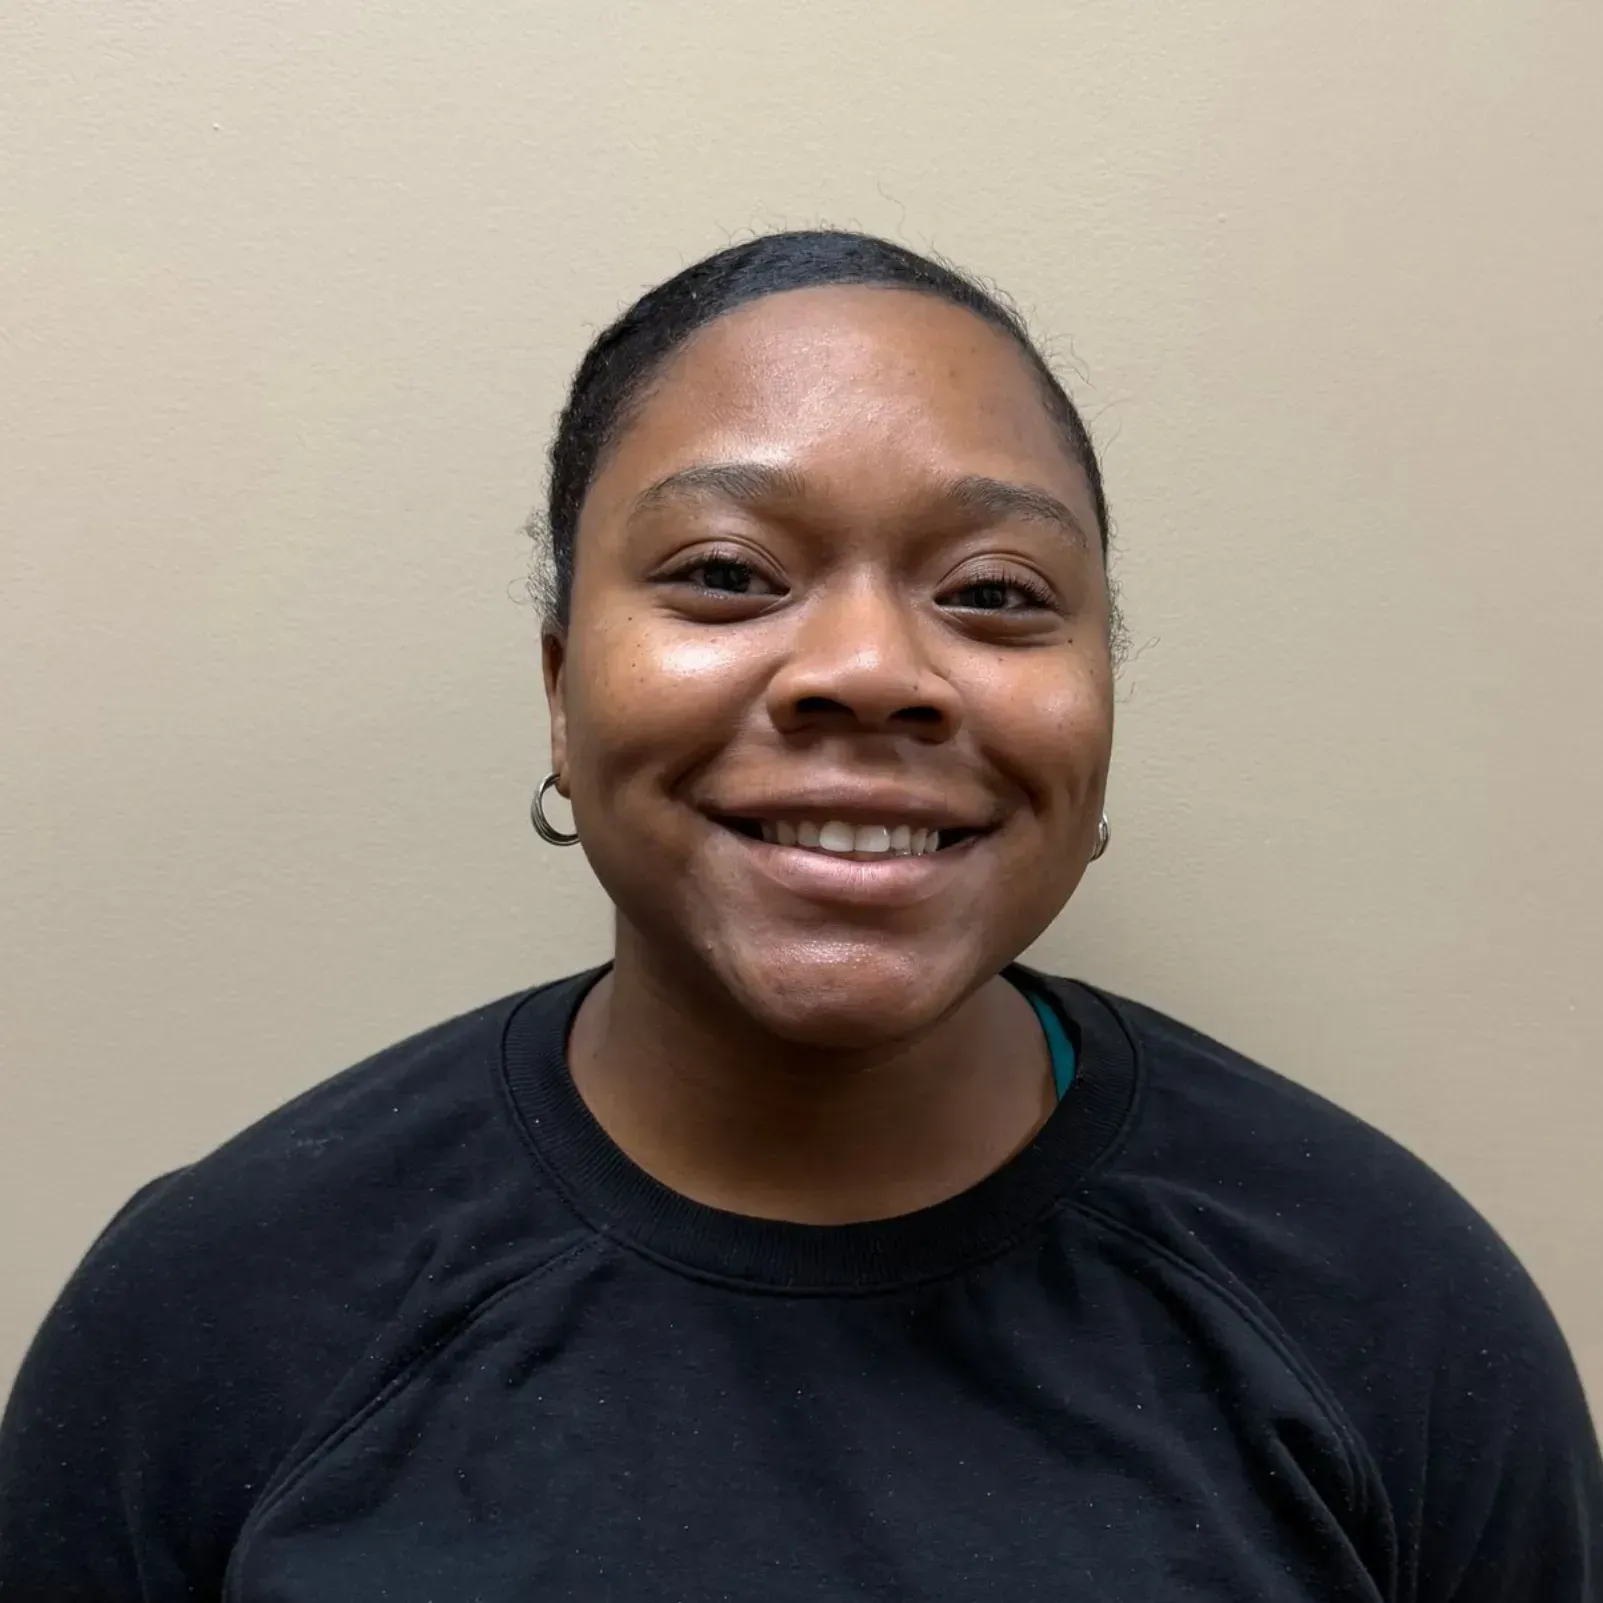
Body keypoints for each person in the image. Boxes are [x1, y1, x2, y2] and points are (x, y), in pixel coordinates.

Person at [1, 230, 1597, 1602]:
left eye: (991, 593)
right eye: (724, 572)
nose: (870, 670)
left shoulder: (1392, 1316)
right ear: (560, 691)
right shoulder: (216, 1316)